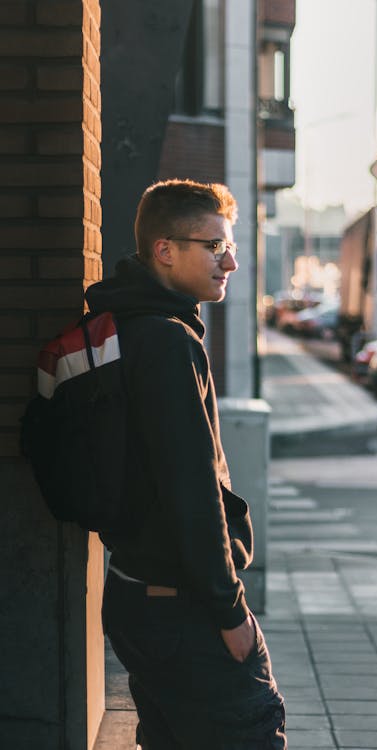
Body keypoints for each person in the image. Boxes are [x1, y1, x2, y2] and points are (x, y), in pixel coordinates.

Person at [86, 179, 286, 749]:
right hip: (183, 607)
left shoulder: (122, 327)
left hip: (135, 594)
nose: (231, 262)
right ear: (165, 251)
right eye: (214, 247)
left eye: (230, 247)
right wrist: (231, 613)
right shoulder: (169, 343)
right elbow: (191, 491)